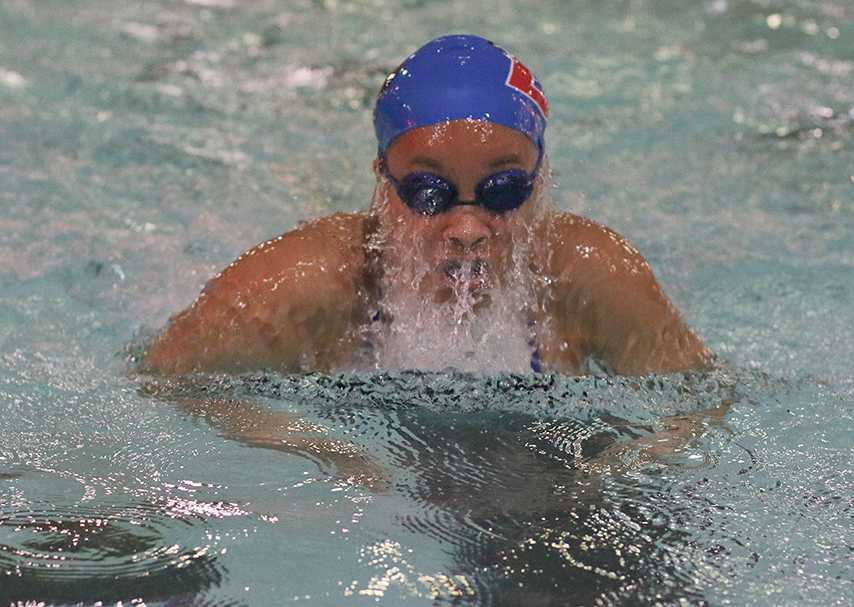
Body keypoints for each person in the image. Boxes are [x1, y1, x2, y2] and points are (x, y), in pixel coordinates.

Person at [143, 34, 713, 377]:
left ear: (540, 183)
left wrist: (613, 467)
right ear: (381, 183)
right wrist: (315, 446)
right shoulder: (301, 284)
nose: (467, 229)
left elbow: (699, 405)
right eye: (428, 193)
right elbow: (163, 383)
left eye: (503, 191)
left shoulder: (589, 273)